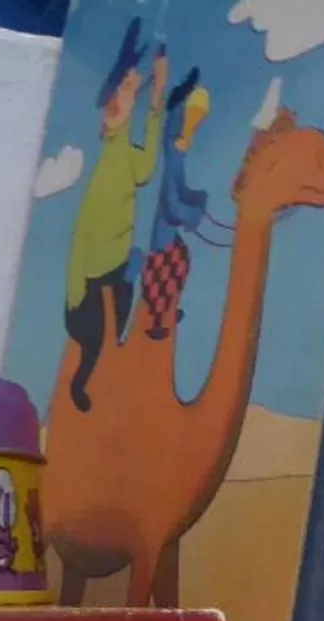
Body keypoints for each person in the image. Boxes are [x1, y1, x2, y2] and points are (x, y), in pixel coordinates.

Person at [63, 20, 169, 410]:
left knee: (128, 290)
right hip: (91, 275)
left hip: (113, 264)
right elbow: (84, 229)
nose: (126, 96)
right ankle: (84, 381)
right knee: (96, 338)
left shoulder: (125, 157)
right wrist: (76, 288)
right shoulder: (111, 158)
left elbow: (147, 166)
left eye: (128, 90)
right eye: (123, 91)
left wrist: (157, 90)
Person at [141, 69, 235, 340]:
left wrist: (195, 198)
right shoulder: (173, 153)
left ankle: (167, 309)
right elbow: (171, 200)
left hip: (170, 230)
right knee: (167, 266)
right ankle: (157, 319)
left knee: (180, 262)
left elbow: (179, 188)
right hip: (165, 233)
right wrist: (191, 212)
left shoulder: (177, 155)